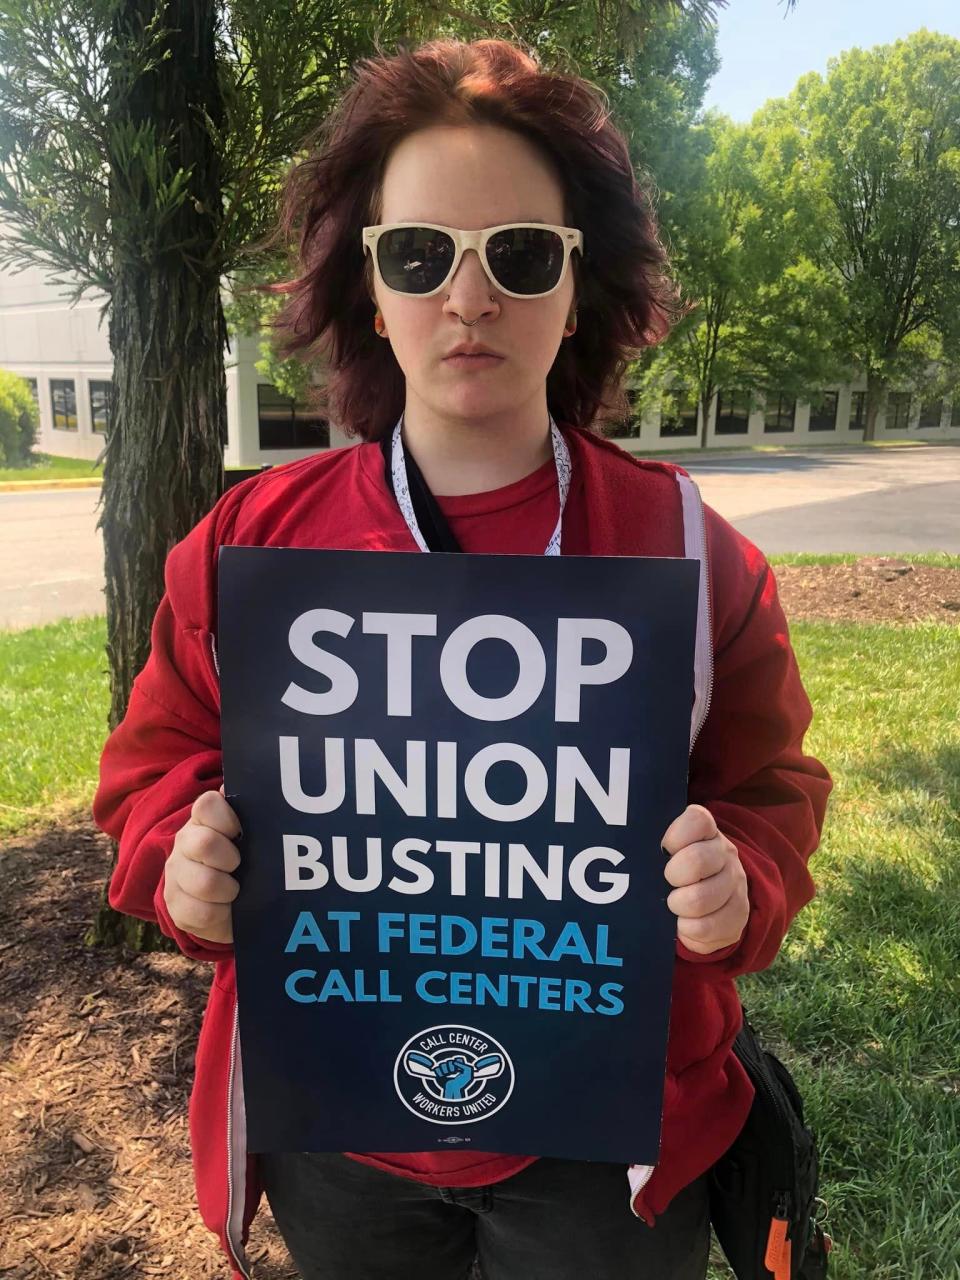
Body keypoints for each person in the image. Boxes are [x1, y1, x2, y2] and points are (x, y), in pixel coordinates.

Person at [92, 36, 833, 1280]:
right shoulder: (247, 544)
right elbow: (149, 771)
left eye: (521, 255)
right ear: (369, 288)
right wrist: (180, 860)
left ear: (578, 284)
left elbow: (775, 795)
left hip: (616, 1149)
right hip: (343, 1141)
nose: (469, 296)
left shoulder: (698, 554)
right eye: (420, 254)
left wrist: (739, 878)